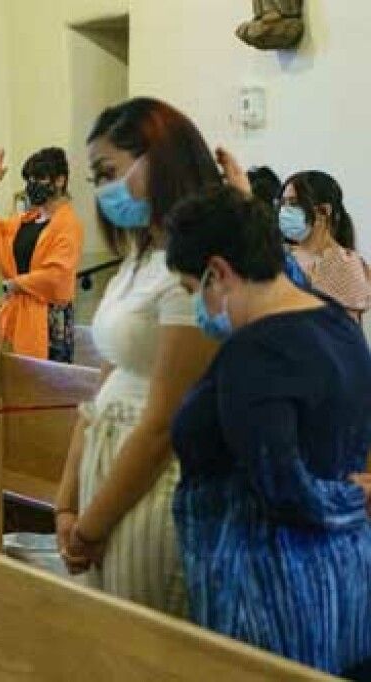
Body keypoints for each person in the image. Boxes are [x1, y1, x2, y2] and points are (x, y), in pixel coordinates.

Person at [165, 186, 371, 679]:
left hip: (267, 601)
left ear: (219, 272)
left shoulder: (253, 354)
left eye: (194, 290)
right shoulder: (337, 326)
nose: (197, 307)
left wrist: (352, 497)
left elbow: (282, 488)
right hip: (346, 583)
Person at [53, 97, 220, 616]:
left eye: (109, 173)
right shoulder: (140, 257)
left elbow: (162, 425)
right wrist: (67, 500)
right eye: (94, 180)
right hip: (106, 468)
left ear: (159, 162)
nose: (102, 192)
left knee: (139, 644)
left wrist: (92, 522)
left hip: (152, 483)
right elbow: (103, 386)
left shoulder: (192, 270)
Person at [0, 146, 84, 360]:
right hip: (19, 313)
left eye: (40, 178)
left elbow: (57, 276)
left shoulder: (68, 224)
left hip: (48, 319)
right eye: (29, 179)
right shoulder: (25, 221)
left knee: (44, 386)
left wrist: (17, 284)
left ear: (60, 180)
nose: (32, 184)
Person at [279, 170, 371, 321]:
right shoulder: (280, 255)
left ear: (324, 211)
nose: (285, 211)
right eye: (283, 203)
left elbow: (344, 334)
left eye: (294, 203)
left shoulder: (346, 266)